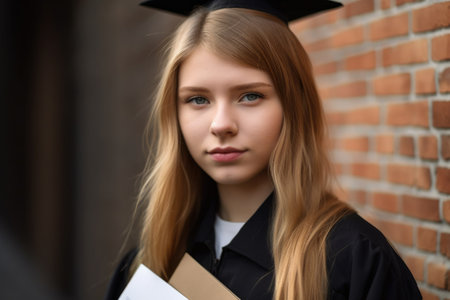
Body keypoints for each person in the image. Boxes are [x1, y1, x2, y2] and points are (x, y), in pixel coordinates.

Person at [105, 1, 422, 299]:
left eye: (250, 96)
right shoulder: (148, 268)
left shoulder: (354, 261)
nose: (221, 124)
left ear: (293, 105)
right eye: (198, 99)